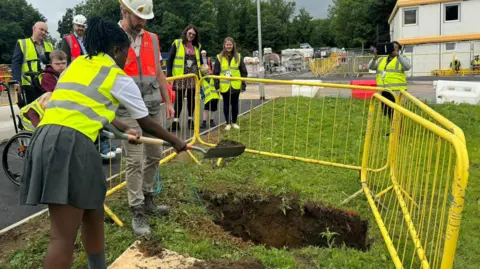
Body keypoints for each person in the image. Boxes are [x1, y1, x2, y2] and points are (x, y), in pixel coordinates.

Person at [20, 18, 187, 269]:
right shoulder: (116, 76)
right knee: (62, 236)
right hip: (70, 145)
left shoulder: (75, 66)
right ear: (117, 50)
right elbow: (147, 122)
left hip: (47, 139)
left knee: (94, 214)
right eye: (126, 55)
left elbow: (83, 107)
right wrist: (176, 141)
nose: (126, 60)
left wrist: (122, 127)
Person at [118, 0, 176, 237]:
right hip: (127, 110)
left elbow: (159, 72)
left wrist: (168, 101)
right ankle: (137, 209)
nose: (142, 23)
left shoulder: (152, 38)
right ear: (125, 11)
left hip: (152, 106)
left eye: (145, 18)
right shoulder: (114, 36)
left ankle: (148, 197)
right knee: (134, 159)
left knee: (154, 155)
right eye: (138, 17)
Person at [167, 24, 202, 131]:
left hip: (193, 76)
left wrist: (203, 72)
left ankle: (190, 120)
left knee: (192, 99)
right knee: (179, 99)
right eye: (189, 33)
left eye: (193, 34)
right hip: (180, 76)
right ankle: (175, 122)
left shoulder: (197, 46)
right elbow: (170, 59)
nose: (191, 35)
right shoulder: (177, 43)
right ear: (186, 32)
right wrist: (169, 74)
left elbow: (199, 60)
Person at [11, 21, 54, 107]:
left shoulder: (49, 46)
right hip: (29, 84)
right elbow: (16, 63)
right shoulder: (23, 43)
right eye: (41, 29)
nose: (44, 33)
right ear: (34, 29)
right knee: (31, 110)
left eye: (46, 31)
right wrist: (17, 81)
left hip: (45, 83)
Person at [368, 41, 410, 119]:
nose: (393, 49)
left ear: (399, 50)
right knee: (389, 113)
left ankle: (398, 131)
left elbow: (407, 67)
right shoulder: (381, 59)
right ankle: (393, 130)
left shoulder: (401, 59)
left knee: (397, 114)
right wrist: (374, 57)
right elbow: (370, 67)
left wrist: (398, 56)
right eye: (392, 47)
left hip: (397, 92)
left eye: (395, 48)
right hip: (384, 91)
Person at [214, 37, 248, 131]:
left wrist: (243, 84)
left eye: (230, 45)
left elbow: (243, 72)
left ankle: (234, 122)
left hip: (235, 86)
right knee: (226, 105)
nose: (228, 46)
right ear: (224, 45)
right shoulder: (219, 57)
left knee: (235, 104)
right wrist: (216, 85)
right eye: (227, 44)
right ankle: (228, 123)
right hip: (224, 86)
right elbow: (216, 73)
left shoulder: (239, 56)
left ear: (233, 45)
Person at [200, 64, 219, 129]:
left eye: (208, 71)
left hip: (212, 97)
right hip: (211, 97)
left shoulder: (209, 78)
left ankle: (208, 121)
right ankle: (207, 121)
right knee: (209, 110)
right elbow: (202, 89)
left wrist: (202, 96)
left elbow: (202, 89)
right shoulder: (204, 79)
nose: (208, 73)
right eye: (206, 72)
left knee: (209, 110)